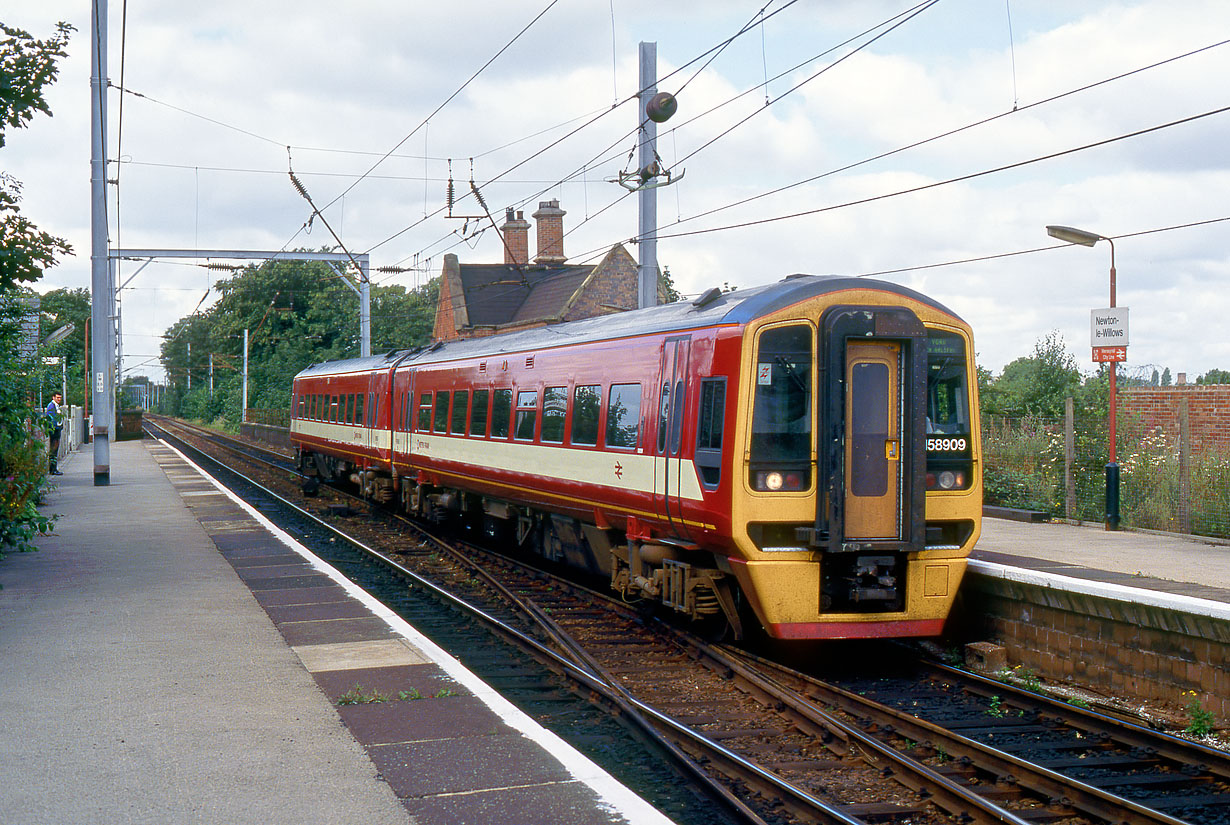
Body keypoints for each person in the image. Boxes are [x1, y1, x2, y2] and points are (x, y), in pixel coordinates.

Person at [46, 392, 64, 475]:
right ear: (53, 397)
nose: (59, 399)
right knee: (53, 449)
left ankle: (54, 468)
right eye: (57, 398)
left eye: (60, 398)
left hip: (57, 429)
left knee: (55, 449)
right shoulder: (51, 406)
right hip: (54, 431)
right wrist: (56, 428)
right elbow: (51, 419)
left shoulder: (56, 406)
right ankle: (53, 469)